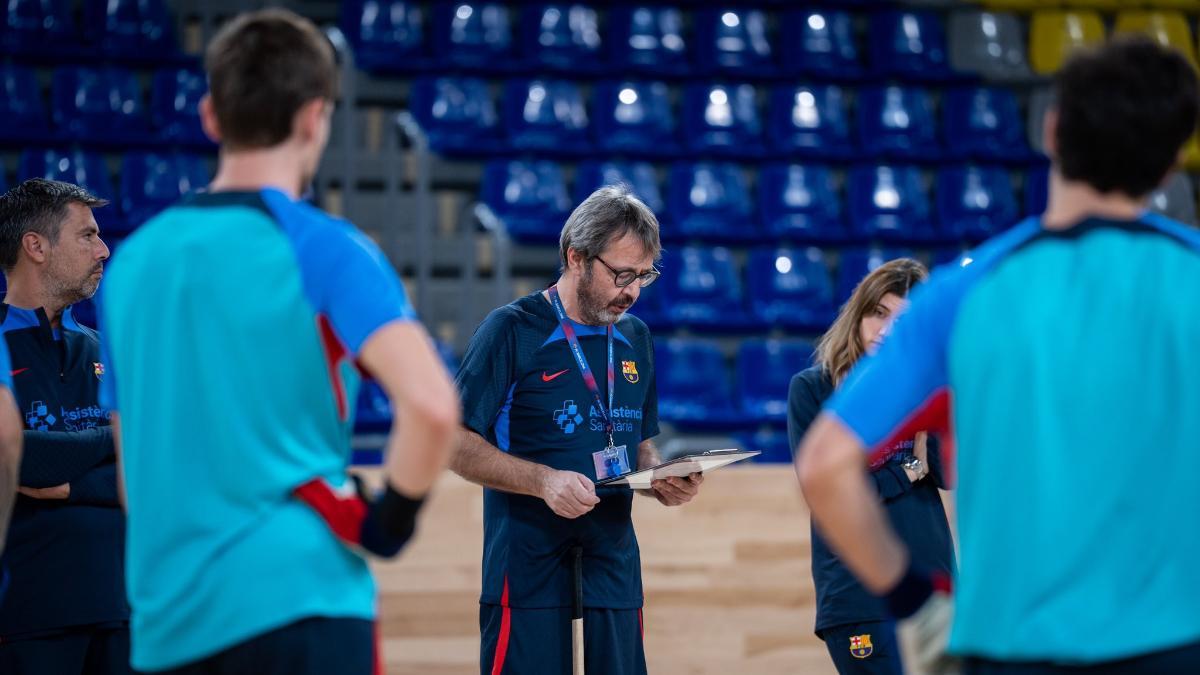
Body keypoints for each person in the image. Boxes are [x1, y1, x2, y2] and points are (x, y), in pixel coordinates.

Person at [796, 37, 1200, 675]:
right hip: (1176, 639)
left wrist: (916, 605)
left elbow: (824, 466)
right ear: (1172, 162)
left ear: (1052, 128)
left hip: (1013, 644)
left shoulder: (963, 293)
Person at [96, 9, 459, 674]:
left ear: (211, 116)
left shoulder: (127, 267)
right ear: (314, 118)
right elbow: (433, 405)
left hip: (168, 620)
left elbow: (131, 474)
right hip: (302, 598)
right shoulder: (326, 246)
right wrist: (389, 523)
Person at [453, 185, 703, 674]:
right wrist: (544, 481)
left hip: (611, 560)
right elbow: (454, 442)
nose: (632, 291)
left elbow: (639, 443)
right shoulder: (512, 329)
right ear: (576, 258)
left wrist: (658, 476)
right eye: (622, 274)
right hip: (527, 562)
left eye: (644, 276)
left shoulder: (636, 336)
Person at [789, 258, 954, 675]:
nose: (885, 328)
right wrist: (907, 470)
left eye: (902, 319)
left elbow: (947, 475)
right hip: (856, 590)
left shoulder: (927, 386)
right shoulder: (815, 387)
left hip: (935, 583)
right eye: (878, 312)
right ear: (858, 314)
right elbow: (829, 490)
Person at [0, 179, 127, 673]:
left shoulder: (108, 351)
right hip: (25, 621)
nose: (104, 249)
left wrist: (71, 484)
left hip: (123, 614)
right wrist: (114, 439)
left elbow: (152, 469)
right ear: (36, 245)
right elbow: (17, 457)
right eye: (87, 235)